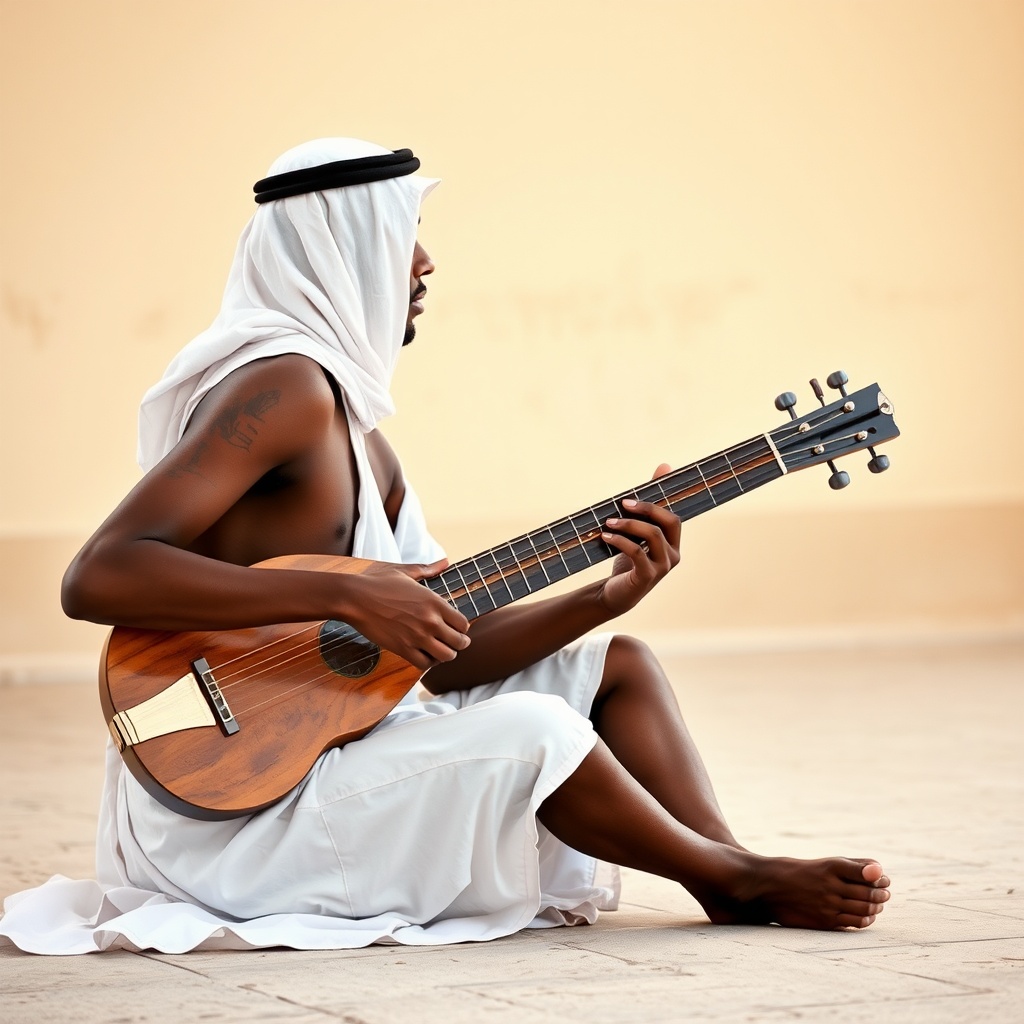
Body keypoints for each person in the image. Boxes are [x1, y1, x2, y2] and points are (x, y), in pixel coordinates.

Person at [0, 138, 889, 954]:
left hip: (328, 753)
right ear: (340, 250)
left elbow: (441, 654)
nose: (425, 262)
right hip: (237, 811)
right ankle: (732, 876)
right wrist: (345, 595)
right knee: (536, 731)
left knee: (617, 660)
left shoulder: (360, 436)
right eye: (405, 233)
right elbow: (98, 575)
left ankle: (728, 869)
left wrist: (599, 597)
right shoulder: (284, 388)